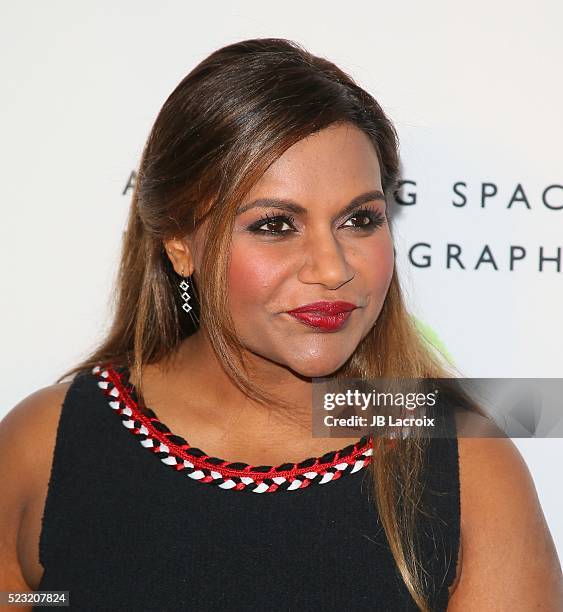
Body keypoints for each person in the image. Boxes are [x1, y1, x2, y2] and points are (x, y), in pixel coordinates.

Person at [1, 37, 561, 612]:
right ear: (178, 245)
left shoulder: (464, 457)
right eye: (274, 225)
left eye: (360, 219)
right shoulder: (42, 446)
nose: (332, 268)